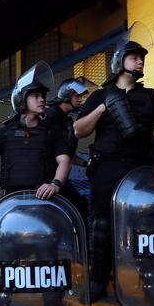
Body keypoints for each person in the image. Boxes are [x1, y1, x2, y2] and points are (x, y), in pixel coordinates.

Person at [74, 24, 154, 301]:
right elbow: (79, 131)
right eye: (134, 57)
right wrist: (103, 105)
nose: (140, 61)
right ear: (119, 62)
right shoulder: (99, 95)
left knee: (145, 226)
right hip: (107, 166)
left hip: (139, 169)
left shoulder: (151, 96)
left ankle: (150, 281)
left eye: (142, 57)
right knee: (101, 225)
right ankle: (98, 281)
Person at [0, 62, 71, 204]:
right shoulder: (4, 133)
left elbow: (64, 160)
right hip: (11, 201)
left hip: (44, 199)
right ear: (21, 99)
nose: (42, 99)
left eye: (42, 95)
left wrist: (55, 184)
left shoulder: (51, 131)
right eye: (35, 96)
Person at [42, 77, 92, 225]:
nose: (80, 99)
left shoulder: (66, 120)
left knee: (80, 205)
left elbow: (66, 152)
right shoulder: (49, 116)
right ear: (66, 95)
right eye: (77, 96)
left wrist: (86, 163)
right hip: (47, 178)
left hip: (59, 178)